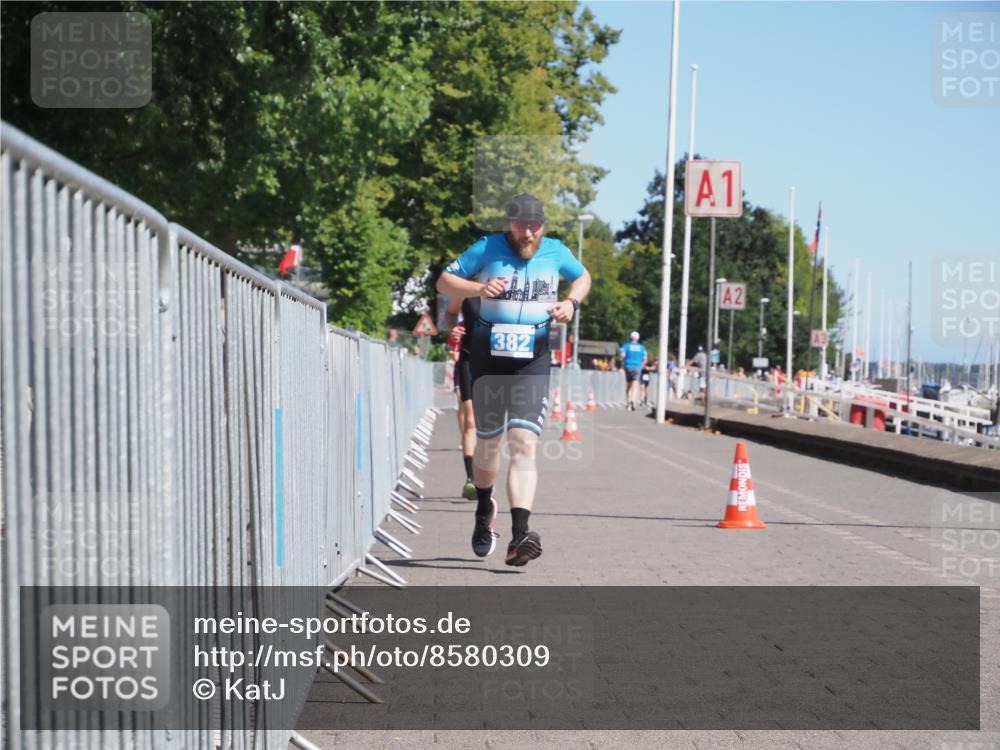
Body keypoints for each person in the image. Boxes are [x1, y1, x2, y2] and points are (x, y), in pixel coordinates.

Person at [436, 194, 591, 567]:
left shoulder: (555, 251)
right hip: (489, 361)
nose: (529, 233)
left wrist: (571, 303)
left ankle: (520, 535)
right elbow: (444, 280)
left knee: (523, 443)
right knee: (489, 446)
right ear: (510, 223)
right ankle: (484, 510)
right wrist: (478, 289)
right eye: (523, 226)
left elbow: (583, 277)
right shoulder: (487, 247)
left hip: (532, 362)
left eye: (536, 226)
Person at [444, 294, 481, 501]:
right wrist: (454, 336)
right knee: (470, 421)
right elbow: (453, 338)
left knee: (489, 427)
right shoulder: (468, 300)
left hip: (494, 367)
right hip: (467, 365)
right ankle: (471, 480)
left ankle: (485, 476)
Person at [619, 332, 647, 410]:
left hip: (628, 366)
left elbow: (622, 355)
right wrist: (642, 365)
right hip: (637, 367)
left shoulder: (626, 346)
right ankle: (633, 401)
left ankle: (628, 402)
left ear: (630, 337)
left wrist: (622, 363)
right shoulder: (642, 347)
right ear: (638, 338)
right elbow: (645, 358)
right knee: (635, 386)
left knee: (628, 385)